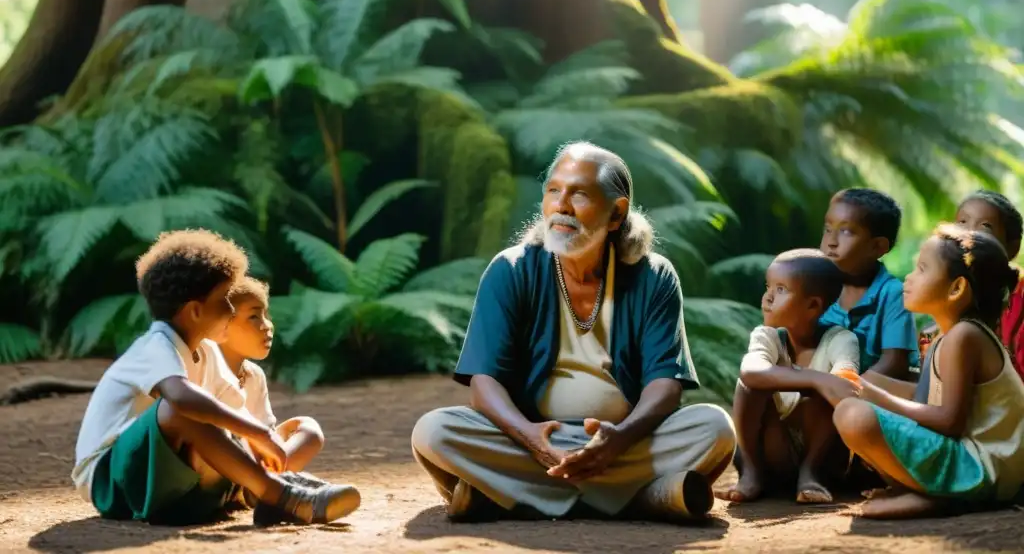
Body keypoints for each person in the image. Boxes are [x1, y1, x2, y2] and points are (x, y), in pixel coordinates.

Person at [411, 142, 737, 524]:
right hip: (531, 441)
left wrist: (619, 439)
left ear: (616, 214)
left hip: (626, 441)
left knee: (714, 428)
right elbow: (484, 384)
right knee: (434, 431)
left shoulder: (653, 275)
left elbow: (664, 385)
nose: (560, 206)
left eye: (579, 194)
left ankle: (508, 498)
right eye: (553, 191)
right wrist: (529, 437)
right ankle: (643, 499)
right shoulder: (511, 270)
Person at [71, 229, 359, 525]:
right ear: (195, 311)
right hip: (112, 481)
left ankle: (258, 488)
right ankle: (280, 495)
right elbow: (182, 399)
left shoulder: (207, 352)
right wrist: (258, 434)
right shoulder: (155, 346)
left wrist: (263, 439)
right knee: (179, 408)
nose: (231, 309)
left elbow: (234, 410)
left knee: (304, 428)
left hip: (175, 481)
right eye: (225, 299)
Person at [833, 224, 1024, 519]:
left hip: (984, 471)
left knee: (854, 415)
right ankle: (921, 492)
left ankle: (941, 498)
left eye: (922, 269)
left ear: (956, 288)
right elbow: (925, 401)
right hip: (970, 463)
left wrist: (876, 396)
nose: (909, 278)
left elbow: (949, 421)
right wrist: (865, 384)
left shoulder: (965, 337)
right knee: (856, 400)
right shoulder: (943, 340)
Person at [716, 249, 860, 505]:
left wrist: (821, 383)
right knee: (748, 386)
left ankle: (811, 474)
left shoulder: (841, 340)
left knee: (827, 394)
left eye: (781, 289)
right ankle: (751, 471)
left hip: (826, 456)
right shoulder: (767, 336)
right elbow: (751, 372)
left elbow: (844, 385)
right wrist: (815, 379)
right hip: (775, 453)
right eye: (768, 286)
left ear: (813, 305)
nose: (768, 297)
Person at [207, 277, 345, 523]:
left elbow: (265, 436)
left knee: (308, 429)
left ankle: (267, 488)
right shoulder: (203, 367)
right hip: (215, 464)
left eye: (266, 315)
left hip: (251, 465)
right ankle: (280, 489)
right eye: (254, 317)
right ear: (222, 325)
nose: (267, 326)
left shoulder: (253, 375)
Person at [918, 191, 1023, 379]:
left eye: (985, 226)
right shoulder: (944, 290)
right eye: (962, 222)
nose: (968, 233)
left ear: (1012, 248)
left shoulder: (1018, 298)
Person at [819, 188, 918, 378]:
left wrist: (849, 387)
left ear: (877, 247)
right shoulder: (816, 285)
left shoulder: (892, 293)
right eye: (828, 229)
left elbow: (894, 362)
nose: (831, 241)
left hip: (865, 395)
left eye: (845, 232)